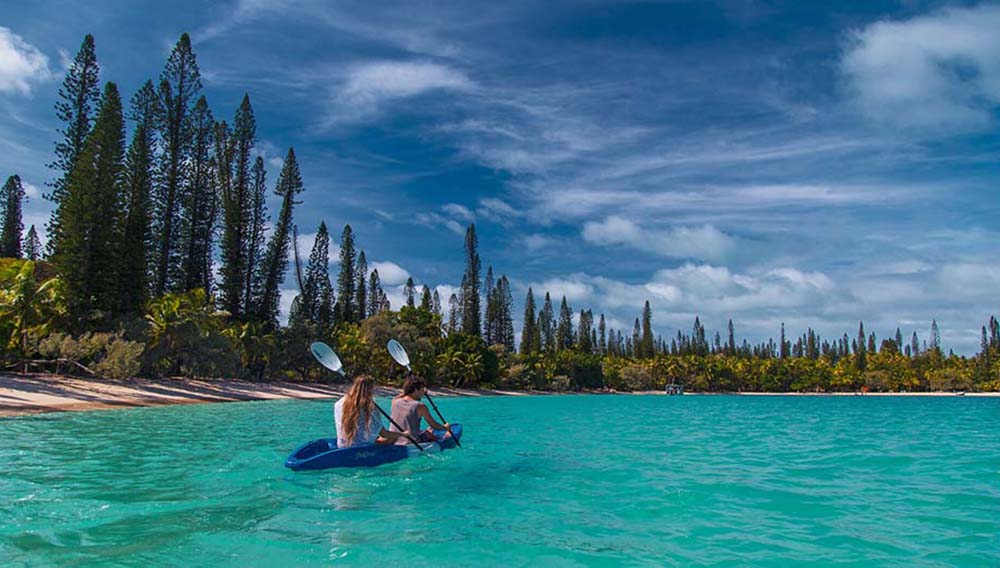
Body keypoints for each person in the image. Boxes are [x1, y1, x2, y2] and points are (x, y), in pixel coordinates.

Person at [334, 375, 407, 448]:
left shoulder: (339, 403)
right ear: (370, 390)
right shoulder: (370, 408)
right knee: (393, 438)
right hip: (361, 447)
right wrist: (403, 434)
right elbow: (384, 434)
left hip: (342, 445)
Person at [389, 375, 452, 445]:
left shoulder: (394, 401)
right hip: (410, 443)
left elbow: (403, 394)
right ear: (416, 390)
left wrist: (411, 388)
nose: (423, 392)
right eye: (422, 389)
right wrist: (445, 428)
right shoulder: (420, 406)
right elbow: (434, 425)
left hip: (392, 441)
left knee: (425, 431)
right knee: (430, 434)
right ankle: (443, 438)